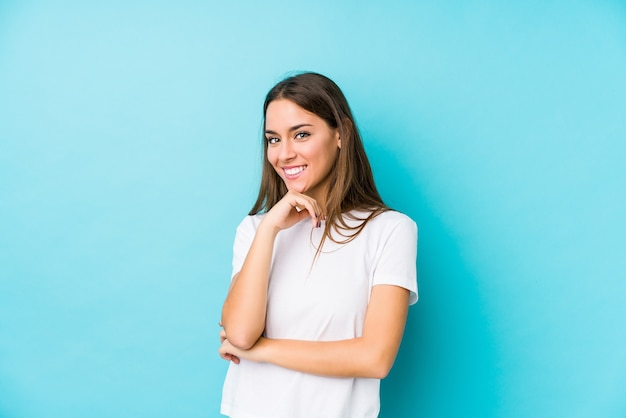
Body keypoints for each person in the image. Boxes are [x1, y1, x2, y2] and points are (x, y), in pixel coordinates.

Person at [218, 72, 418, 418]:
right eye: (273, 139)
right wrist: (269, 230)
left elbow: (375, 358)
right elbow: (239, 332)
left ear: (341, 134)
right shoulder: (254, 230)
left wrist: (262, 351)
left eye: (302, 134)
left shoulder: (389, 230)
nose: (285, 153)